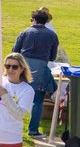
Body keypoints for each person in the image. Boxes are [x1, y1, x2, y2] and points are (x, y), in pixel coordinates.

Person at [12, 8, 59, 138]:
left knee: (13, 97)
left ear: (34, 20)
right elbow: (52, 57)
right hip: (40, 70)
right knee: (37, 101)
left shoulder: (25, 32)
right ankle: (33, 130)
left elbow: (15, 51)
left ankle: (11, 127)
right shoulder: (52, 35)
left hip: (22, 68)